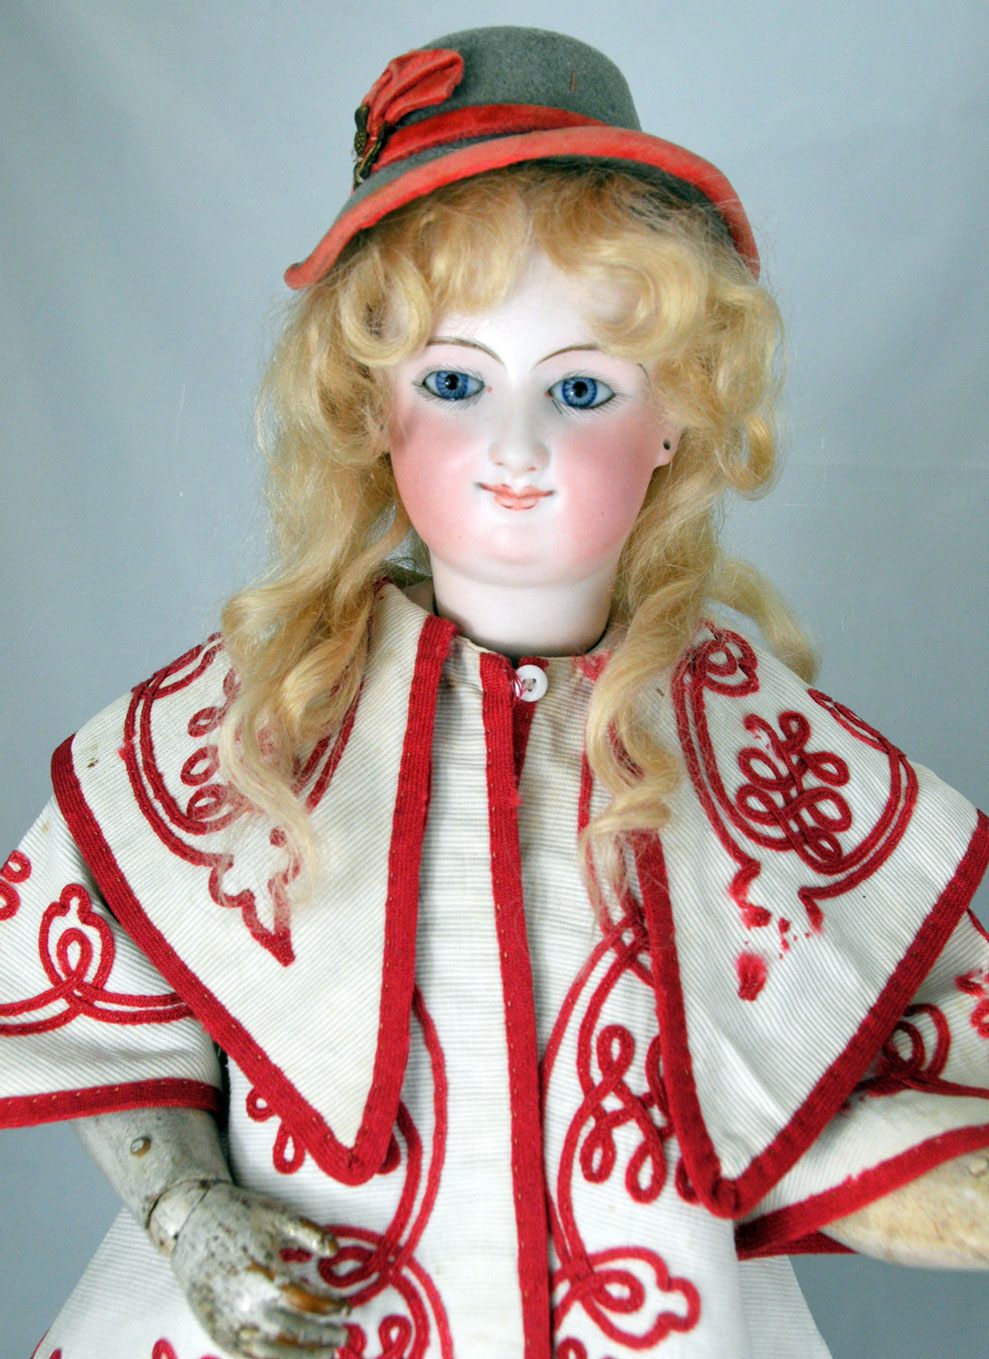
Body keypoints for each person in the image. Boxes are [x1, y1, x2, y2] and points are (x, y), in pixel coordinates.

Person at [2, 24, 988, 1359]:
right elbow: (109, 1001)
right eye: (455, 383)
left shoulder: (741, 744)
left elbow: (816, 1086)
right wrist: (188, 1211)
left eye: (581, 388)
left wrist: (929, 1189)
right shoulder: (262, 716)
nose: (514, 451)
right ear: (370, 408)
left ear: (677, 416)